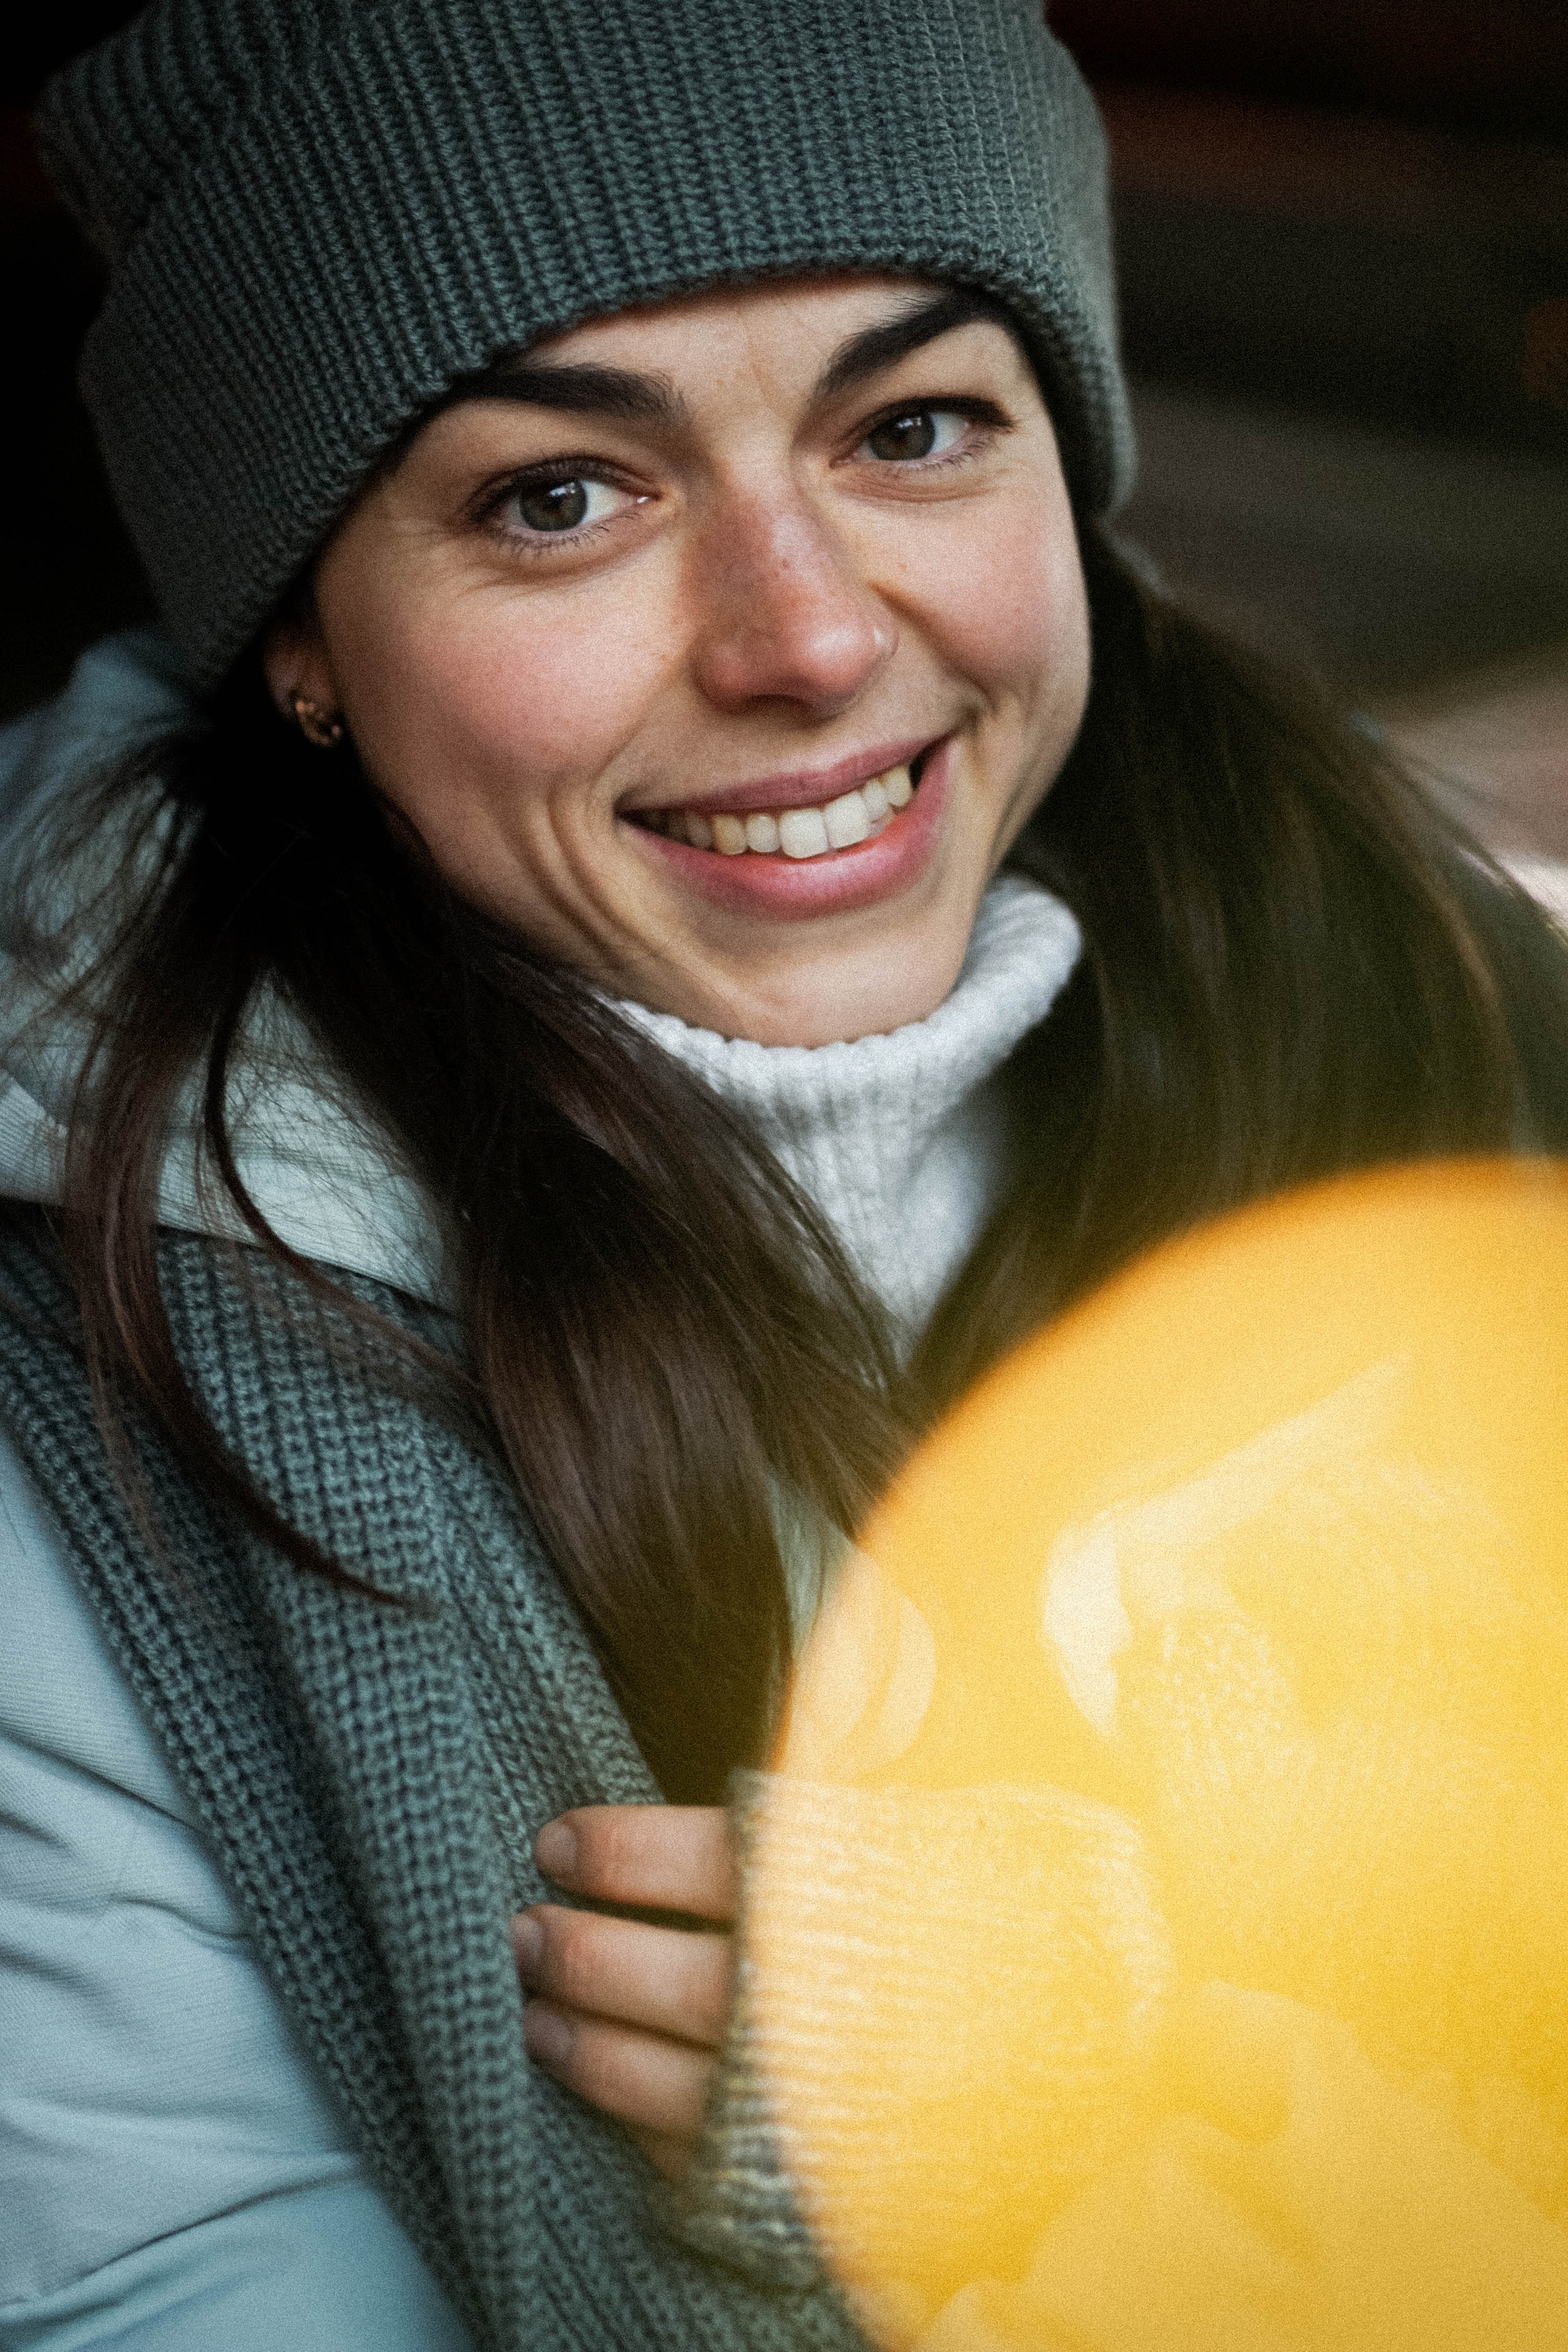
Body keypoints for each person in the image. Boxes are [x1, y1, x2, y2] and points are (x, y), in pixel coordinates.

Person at [2, 1, 1566, 2347]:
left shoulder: (1443, 1002)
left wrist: (1129, 2085)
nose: (813, 638)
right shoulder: (84, 1380)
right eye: (563, 495)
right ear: (305, 637)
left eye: (915, 427)